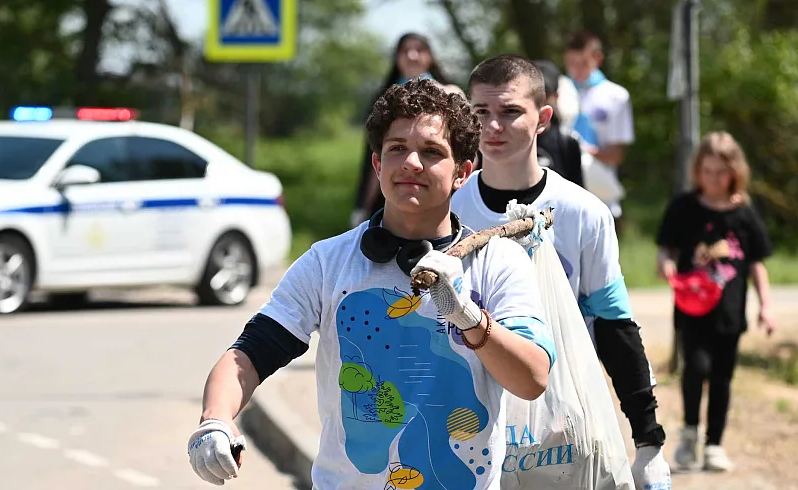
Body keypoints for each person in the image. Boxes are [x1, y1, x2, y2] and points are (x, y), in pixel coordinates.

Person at [188, 78, 556, 489]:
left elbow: (533, 379)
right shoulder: (328, 263)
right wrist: (215, 419)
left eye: (432, 152)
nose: (412, 163)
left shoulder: (498, 262)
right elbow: (250, 355)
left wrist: (467, 316)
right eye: (397, 148)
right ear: (378, 164)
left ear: (463, 172)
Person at [450, 54, 672, 489]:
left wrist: (648, 442)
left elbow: (614, 325)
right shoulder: (449, 211)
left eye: (511, 112)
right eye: (481, 113)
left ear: (543, 118)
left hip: (562, 416)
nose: (493, 127)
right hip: (468, 415)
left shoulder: (584, 213)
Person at [656, 132, 775, 473]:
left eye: (720, 172)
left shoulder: (744, 214)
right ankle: (690, 433)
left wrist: (765, 305)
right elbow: (666, 247)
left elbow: (756, 264)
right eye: (707, 171)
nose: (713, 178)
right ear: (698, 170)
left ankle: (714, 445)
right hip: (692, 310)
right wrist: (665, 264)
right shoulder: (684, 207)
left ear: (735, 171)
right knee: (696, 368)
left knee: (722, 377)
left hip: (730, 313)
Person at [351, 32, 462, 228]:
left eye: (419, 50)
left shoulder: (451, 94)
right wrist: (363, 206)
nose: (412, 56)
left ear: (430, 56)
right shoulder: (383, 99)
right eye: (405, 51)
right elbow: (372, 157)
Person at [564, 31, 634, 230]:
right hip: (562, 197)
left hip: (600, 194)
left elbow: (616, 154)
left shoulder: (615, 96)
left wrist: (583, 151)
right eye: (571, 63)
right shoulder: (559, 91)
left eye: (582, 63)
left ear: (597, 58)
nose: (576, 70)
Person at [532, 59, 584, 188]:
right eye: (532, 94)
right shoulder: (507, 136)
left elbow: (577, 192)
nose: (539, 101)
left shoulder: (567, 142)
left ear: (555, 96)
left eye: (545, 93)